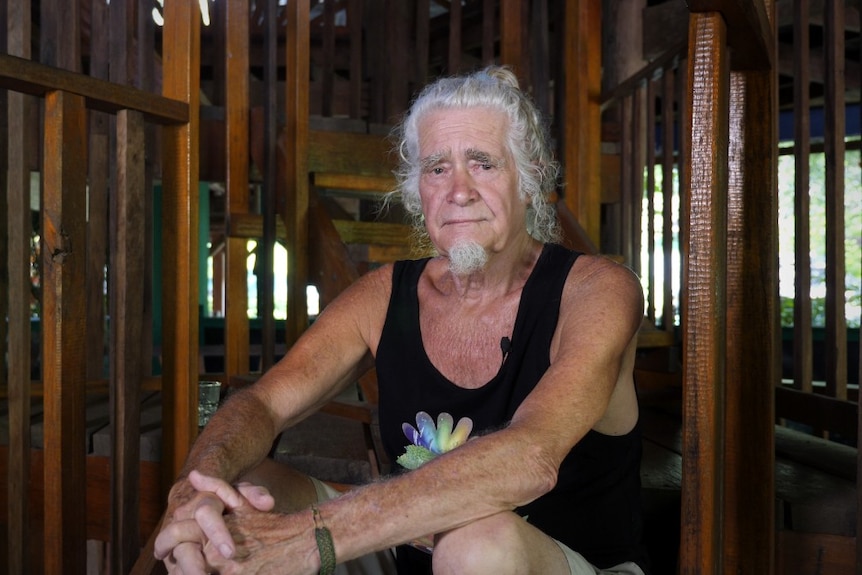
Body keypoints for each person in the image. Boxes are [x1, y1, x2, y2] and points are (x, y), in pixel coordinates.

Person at [154, 65, 649, 575]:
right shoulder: (384, 295)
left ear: (531, 178)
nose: (459, 191)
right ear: (417, 191)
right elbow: (262, 403)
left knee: (476, 544)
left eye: (482, 164)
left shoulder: (597, 291)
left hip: (569, 561)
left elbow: (531, 457)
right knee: (238, 498)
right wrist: (196, 485)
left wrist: (313, 538)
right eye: (437, 168)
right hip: (412, 554)